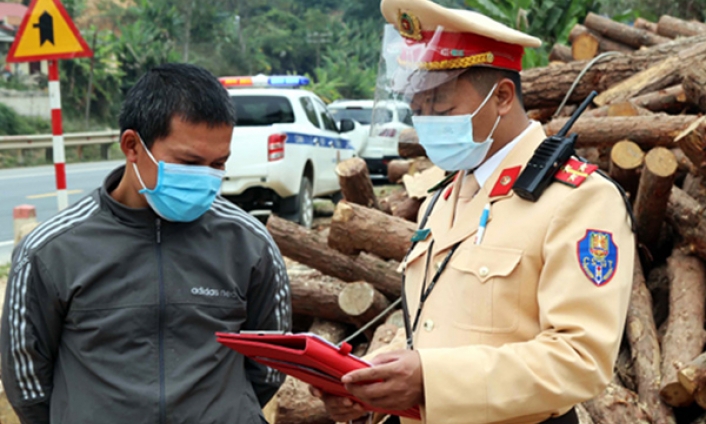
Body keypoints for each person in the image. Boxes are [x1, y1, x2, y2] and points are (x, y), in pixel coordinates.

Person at [312, 1, 634, 423]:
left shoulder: (578, 199)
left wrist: (432, 379)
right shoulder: (441, 198)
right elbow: (436, 328)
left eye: (441, 107)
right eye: (418, 108)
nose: (425, 122)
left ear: (501, 97)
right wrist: (367, 381)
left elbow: (580, 360)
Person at [1, 63, 292, 424]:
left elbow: (270, 364)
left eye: (218, 164)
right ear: (132, 146)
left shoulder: (250, 244)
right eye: (188, 162)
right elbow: (27, 380)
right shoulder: (51, 251)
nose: (206, 178)